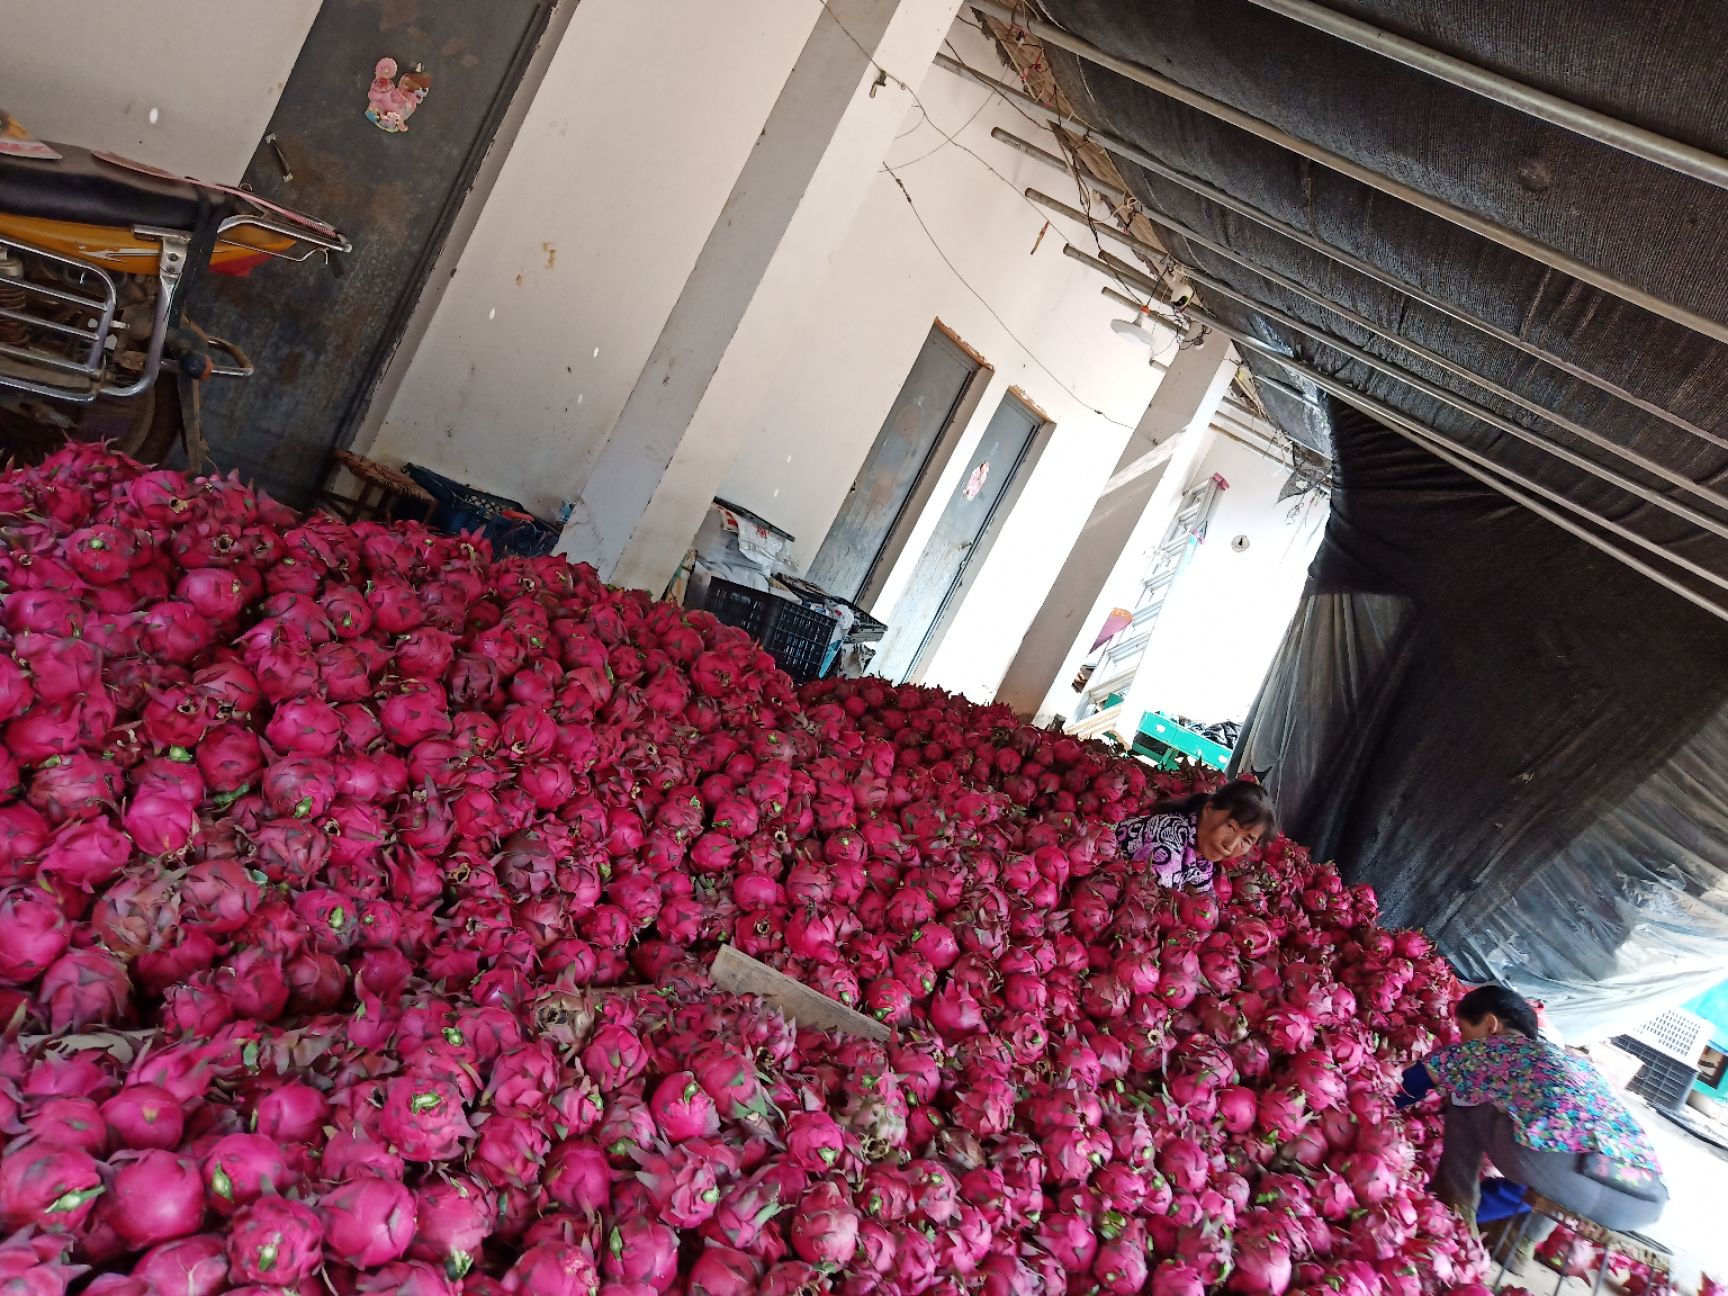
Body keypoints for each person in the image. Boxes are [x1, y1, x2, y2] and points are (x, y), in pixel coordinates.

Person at [1398, 985, 1668, 1238]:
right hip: (1643, 1201)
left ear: (1491, 1025)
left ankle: (1451, 1209)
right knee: (1556, 1139)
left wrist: (1377, 1101)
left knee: (1464, 1095)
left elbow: (1412, 1083)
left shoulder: (1488, 1049)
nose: (1461, 1039)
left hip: (1558, 1172)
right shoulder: (1576, 1065)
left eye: (1464, 1029)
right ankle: (1521, 1242)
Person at [1113, 779, 1276, 891]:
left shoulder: (1202, 849)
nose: (1231, 845)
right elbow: (1148, 895)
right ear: (1209, 809)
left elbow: (1205, 895)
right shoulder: (1168, 846)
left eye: (1246, 840)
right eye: (1231, 827)